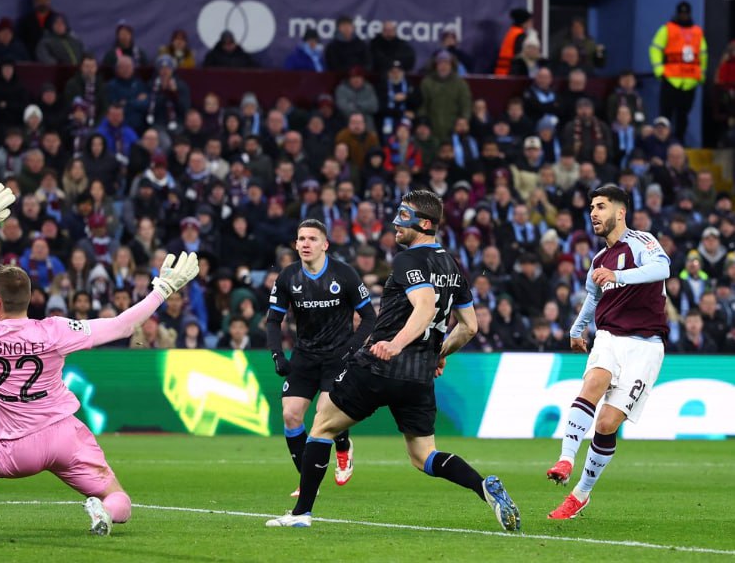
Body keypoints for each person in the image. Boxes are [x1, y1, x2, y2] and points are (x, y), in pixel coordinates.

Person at [0, 183, 200, 536]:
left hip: (14, 450)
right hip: (64, 437)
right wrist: (163, 290)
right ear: (29, 299)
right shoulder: (54, 330)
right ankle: (104, 512)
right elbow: (123, 326)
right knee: (117, 497)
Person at [266, 191, 520, 531]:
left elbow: (425, 307)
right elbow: (469, 327)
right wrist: (439, 353)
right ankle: (482, 486)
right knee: (424, 456)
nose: (395, 222)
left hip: (380, 365)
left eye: (404, 216)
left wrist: (396, 344)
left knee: (322, 426)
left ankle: (301, 514)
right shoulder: (451, 265)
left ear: (424, 224)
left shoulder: (407, 260)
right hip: (419, 377)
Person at [546, 185, 671, 520]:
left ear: (620, 212)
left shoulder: (643, 242)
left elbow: (662, 269)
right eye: (591, 208)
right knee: (593, 382)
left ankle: (580, 494)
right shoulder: (599, 260)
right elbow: (593, 296)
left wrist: (619, 275)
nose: (593, 213)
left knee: (606, 423)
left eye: (601, 206)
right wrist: (576, 330)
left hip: (645, 345)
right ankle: (565, 459)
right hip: (609, 337)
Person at [267, 219, 376, 495]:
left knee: (324, 417)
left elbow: (369, 318)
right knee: (290, 415)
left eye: (312, 239)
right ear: (296, 244)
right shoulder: (288, 277)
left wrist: (351, 349)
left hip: (337, 357)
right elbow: (273, 321)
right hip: (305, 355)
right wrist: (278, 354)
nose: (306, 243)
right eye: (301, 238)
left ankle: (343, 447)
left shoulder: (344, 274)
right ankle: (307, 482)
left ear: (325, 244)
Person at [649, 1, 707, 141]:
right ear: (677, 13)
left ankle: (679, 142)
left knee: (683, 115)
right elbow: (655, 48)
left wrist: (702, 73)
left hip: (690, 81)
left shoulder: (697, 32)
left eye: (686, 13)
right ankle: (664, 143)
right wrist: (659, 69)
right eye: (681, 13)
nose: (683, 16)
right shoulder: (667, 29)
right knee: (666, 114)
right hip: (671, 78)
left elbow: (703, 54)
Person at [494, 8, 533, 76]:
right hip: (511, 74)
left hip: (502, 72)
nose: (531, 24)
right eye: (530, 21)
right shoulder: (520, 35)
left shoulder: (512, 32)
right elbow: (519, 57)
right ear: (524, 22)